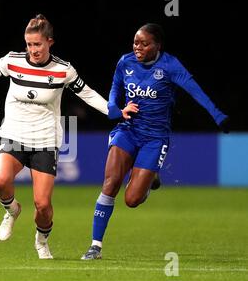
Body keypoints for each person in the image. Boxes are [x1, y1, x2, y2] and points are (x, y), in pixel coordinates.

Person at [0, 14, 137, 259]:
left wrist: (114, 111)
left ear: (50, 42)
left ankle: (41, 240)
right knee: (0, 180)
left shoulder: (62, 70)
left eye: (37, 44)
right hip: (13, 134)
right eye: (29, 44)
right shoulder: (12, 61)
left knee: (43, 206)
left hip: (45, 141)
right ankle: (11, 210)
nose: (32, 50)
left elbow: (88, 94)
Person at [81, 23, 230, 260]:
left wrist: (218, 115)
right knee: (110, 183)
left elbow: (195, 90)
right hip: (128, 130)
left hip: (155, 138)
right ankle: (95, 246)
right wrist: (114, 108)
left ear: (157, 46)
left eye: (144, 43)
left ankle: (149, 181)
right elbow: (114, 89)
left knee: (131, 200)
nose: (138, 47)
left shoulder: (170, 65)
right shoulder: (125, 62)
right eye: (135, 42)